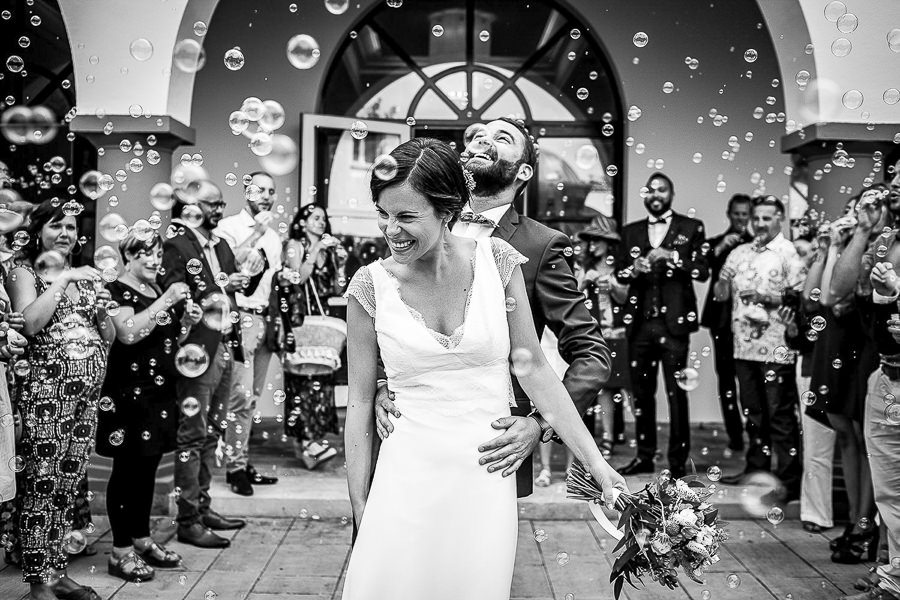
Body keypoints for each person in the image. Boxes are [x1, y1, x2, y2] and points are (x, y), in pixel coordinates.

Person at [342, 137, 626, 599]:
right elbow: (358, 400)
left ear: (447, 208)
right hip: (404, 477)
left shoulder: (499, 262)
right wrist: (360, 506)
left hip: (486, 477)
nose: (391, 229)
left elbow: (535, 371)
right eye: (384, 213)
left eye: (407, 216)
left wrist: (597, 466)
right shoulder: (369, 286)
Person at [375, 118, 610, 500]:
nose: (484, 139)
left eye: (503, 138)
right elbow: (388, 316)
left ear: (524, 171)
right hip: (411, 430)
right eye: (476, 135)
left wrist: (539, 422)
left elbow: (591, 353)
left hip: (492, 437)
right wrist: (381, 384)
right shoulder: (411, 226)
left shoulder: (541, 245)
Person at [6, 199, 115, 600]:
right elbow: (30, 323)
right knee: (42, 484)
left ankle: (57, 571)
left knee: (68, 486)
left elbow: (107, 338)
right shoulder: (24, 270)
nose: (66, 233)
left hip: (84, 398)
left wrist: (103, 312)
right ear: (38, 230)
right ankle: (38, 584)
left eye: (71, 227)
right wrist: (63, 278)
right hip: (46, 397)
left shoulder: (85, 277)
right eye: (57, 226)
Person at [160, 180, 263, 548]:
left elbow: (241, 287)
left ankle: (203, 507)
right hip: (197, 348)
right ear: (190, 205)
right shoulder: (176, 243)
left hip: (226, 344)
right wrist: (212, 293)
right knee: (193, 432)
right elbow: (173, 291)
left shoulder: (220, 243)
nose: (219, 210)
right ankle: (188, 519)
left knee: (214, 430)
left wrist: (251, 272)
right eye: (211, 204)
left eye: (221, 203)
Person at [96, 231, 202, 581]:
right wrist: (168, 300)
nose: (156, 261)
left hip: (159, 394)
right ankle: (120, 551)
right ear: (128, 257)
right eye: (147, 255)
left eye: (158, 254)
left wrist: (185, 323)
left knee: (148, 470)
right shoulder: (117, 291)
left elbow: (164, 339)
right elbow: (127, 332)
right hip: (128, 394)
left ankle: (141, 539)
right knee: (126, 473)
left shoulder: (155, 289)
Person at [614, 172, 710, 478]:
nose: (656, 194)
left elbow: (703, 271)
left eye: (662, 190)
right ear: (645, 195)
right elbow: (619, 274)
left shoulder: (691, 228)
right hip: (640, 324)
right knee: (641, 394)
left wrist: (672, 257)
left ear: (671, 194)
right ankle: (644, 457)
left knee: (675, 393)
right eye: (651, 190)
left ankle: (678, 463)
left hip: (674, 325)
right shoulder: (630, 232)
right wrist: (635, 268)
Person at [714, 196, 807, 505]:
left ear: (779, 219)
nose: (760, 223)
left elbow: (801, 298)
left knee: (780, 414)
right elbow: (720, 296)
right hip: (743, 346)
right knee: (753, 413)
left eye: (767, 218)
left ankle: (790, 479)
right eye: (757, 218)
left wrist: (768, 297)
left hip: (776, 347)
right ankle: (757, 469)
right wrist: (722, 281)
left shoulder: (788, 253)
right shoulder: (739, 252)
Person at [214, 171, 281, 495]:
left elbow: (274, 283)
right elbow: (227, 265)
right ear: (246, 190)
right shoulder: (228, 227)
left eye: (271, 191)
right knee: (239, 399)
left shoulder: (275, 238)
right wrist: (257, 232)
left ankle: (241, 458)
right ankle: (235, 468)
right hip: (240, 319)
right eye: (260, 190)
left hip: (264, 320)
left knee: (252, 398)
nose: (267, 196)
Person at [281, 203, 347, 468]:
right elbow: (297, 278)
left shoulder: (328, 251)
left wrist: (340, 264)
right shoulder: (295, 245)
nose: (321, 222)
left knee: (321, 377)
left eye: (324, 219)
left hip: (320, 321)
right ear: (302, 221)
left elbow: (334, 287)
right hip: (299, 318)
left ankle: (314, 441)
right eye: (315, 218)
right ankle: (305, 443)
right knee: (301, 379)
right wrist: (316, 249)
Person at [701, 194, 753, 453]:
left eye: (745, 214)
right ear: (729, 214)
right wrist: (721, 247)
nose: (741, 219)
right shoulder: (715, 244)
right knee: (726, 379)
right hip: (721, 320)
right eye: (737, 214)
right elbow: (700, 267)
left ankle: (753, 433)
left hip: (749, 321)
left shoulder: (757, 245)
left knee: (749, 379)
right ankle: (735, 434)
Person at [575, 217, 631, 458]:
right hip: (591, 334)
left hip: (616, 334)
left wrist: (613, 285)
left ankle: (609, 438)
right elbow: (573, 298)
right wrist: (585, 280)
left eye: (597, 240)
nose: (592, 244)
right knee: (591, 387)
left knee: (611, 389)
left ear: (609, 243)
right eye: (589, 240)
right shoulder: (583, 268)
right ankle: (588, 439)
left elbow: (624, 298)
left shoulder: (619, 269)